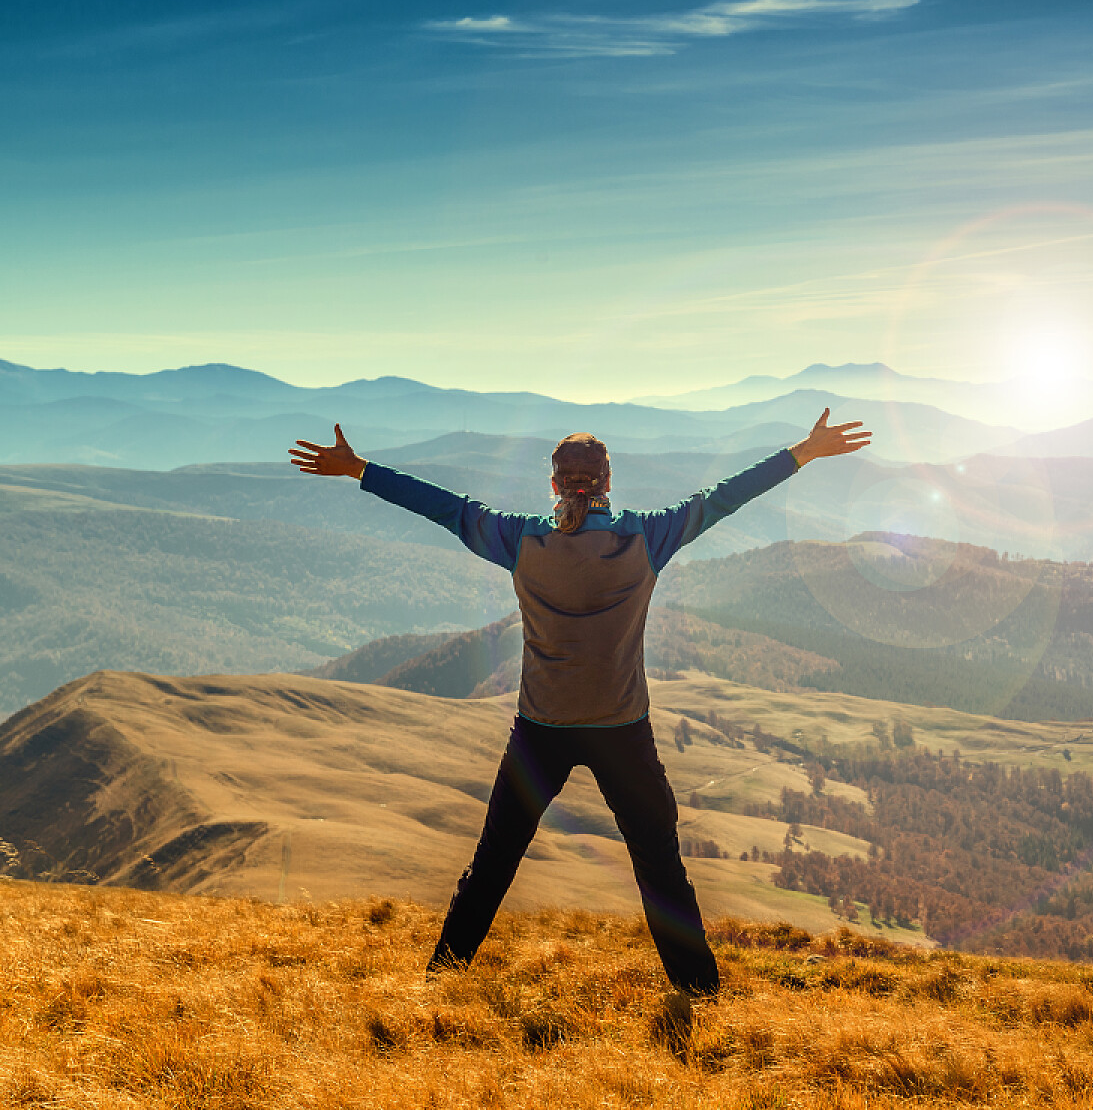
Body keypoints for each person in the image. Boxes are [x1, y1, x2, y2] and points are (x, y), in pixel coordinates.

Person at [289, 409, 871, 991]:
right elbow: (723, 498)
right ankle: (699, 993)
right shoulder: (646, 536)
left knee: (491, 867)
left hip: (540, 729)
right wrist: (802, 451)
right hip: (623, 729)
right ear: (608, 481)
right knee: (661, 868)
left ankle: (441, 983)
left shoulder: (521, 539)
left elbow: (443, 506)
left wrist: (359, 469)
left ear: (553, 483)